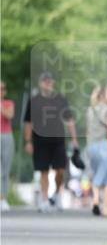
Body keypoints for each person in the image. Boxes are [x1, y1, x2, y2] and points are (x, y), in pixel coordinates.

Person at [23, 72, 79, 211]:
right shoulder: (34, 100)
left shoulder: (60, 99)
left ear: (53, 82)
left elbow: (69, 120)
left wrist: (74, 139)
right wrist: (28, 141)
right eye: (45, 81)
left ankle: (57, 195)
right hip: (40, 140)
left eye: (50, 81)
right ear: (40, 83)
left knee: (61, 170)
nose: (48, 83)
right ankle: (44, 200)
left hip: (58, 139)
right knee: (44, 171)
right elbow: (28, 122)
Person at [86, 85, 107, 217]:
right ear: (103, 96)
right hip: (104, 146)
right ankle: (106, 208)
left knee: (97, 173)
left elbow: (88, 130)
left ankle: (96, 199)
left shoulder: (90, 110)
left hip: (91, 146)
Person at [1, 81, 14, 211]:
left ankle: (3, 198)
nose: (1, 91)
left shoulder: (8, 103)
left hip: (6, 136)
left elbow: (9, 115)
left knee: (5, 169)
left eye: (2, 89)